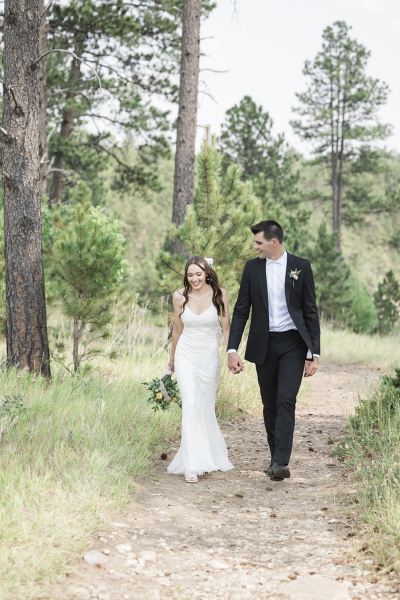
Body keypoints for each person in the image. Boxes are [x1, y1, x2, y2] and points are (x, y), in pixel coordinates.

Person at [227, 220, 320, 482]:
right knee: (270, 404)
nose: (254, 247)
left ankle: (281, 462)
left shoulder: (300, 266)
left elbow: (310, 311)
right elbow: (241, 309)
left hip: (294, 343)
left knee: (286, 400)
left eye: (258, 242)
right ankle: (274, 456)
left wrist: (314, 352)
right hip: (264, 343)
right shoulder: (252, 268)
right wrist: (232, 348)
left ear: (273, 242)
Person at [167, 256, 234, 483]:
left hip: (209, 356)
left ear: (206, 273)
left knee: (204, 406)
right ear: (186, 276)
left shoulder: (219, 294)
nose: (194, 279)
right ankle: (191, 464)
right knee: (191, 403)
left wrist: (231, 353)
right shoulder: (179, 296)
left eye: (198, 274)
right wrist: (171, 361)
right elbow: (177, 330)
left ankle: (208, 454)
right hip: (186, 354)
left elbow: (226, 328)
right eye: (190, 275)